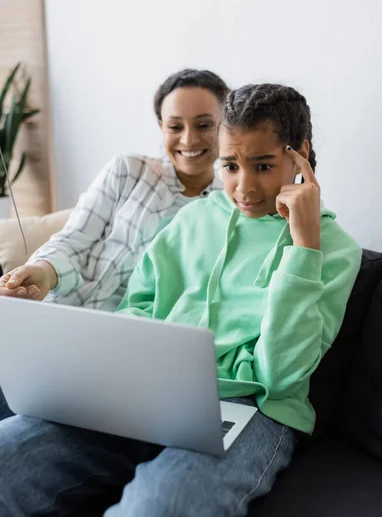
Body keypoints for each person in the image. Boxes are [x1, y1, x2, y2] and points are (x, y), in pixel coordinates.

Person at [0, 83, 362, 517]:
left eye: (263, 165)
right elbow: (139, 309)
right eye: (230, 166)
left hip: (252, 410)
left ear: (302, 157)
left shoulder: (333, 249)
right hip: (149, 392)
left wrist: (303, 247)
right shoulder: (194, 221)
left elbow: (281, 375)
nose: (244, 187)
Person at [0, 68, 229, 419]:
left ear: (225, 127)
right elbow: (74, 238)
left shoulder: (231, 210)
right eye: (175, 126)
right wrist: (42, 272)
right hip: (57, 330)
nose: (188, 139)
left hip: (121, 364)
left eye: (203, 124)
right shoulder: (128, 171)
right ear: (160, 127)